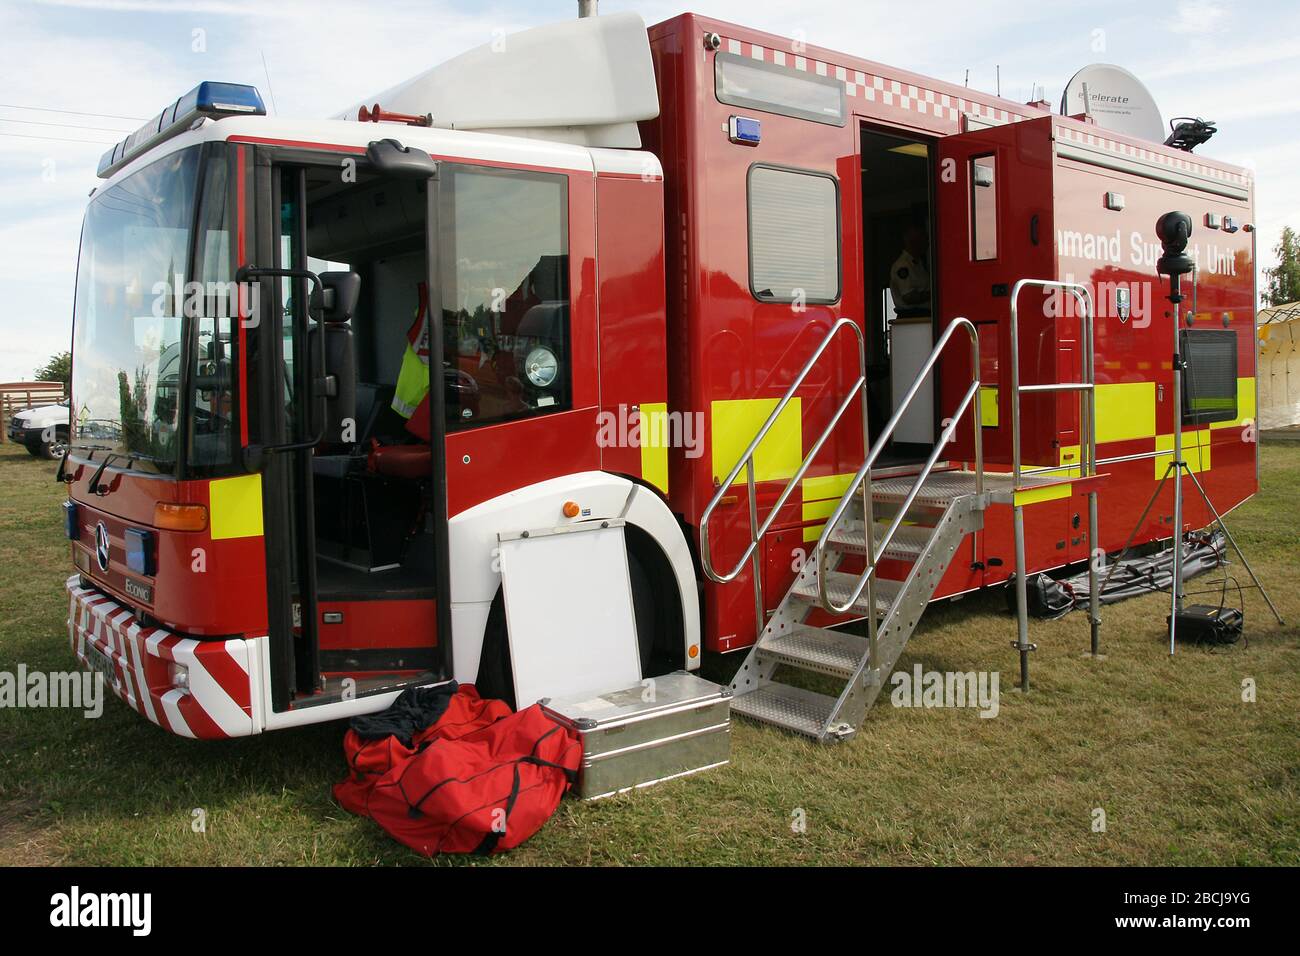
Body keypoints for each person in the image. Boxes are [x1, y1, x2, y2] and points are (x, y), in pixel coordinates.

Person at [889, 223, 931, 317]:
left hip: (923, 315)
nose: (927, 242)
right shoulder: (903, 266)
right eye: (924, 238)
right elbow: (909, 297)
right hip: (912, 317)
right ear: (914, 242)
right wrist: (934, 293)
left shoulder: (919, 263)